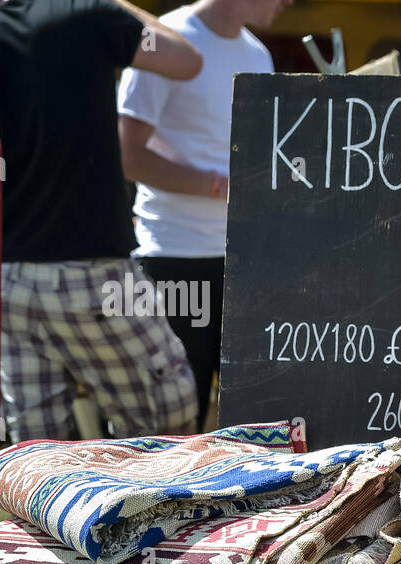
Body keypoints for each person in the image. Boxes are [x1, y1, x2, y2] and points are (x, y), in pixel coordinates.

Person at [0, 0, 202, 443]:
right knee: (169, 414)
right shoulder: (90, 15)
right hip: (95, 277)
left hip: (8, 281)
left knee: (36, 450)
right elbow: (186, 59)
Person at [118, 0, 286, 431]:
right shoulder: (165, 41)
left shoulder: (257, 54)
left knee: (245, 428)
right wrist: (218, 185)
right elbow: (127, 155)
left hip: (245, 265)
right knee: (174, 427)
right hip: (172, 259)